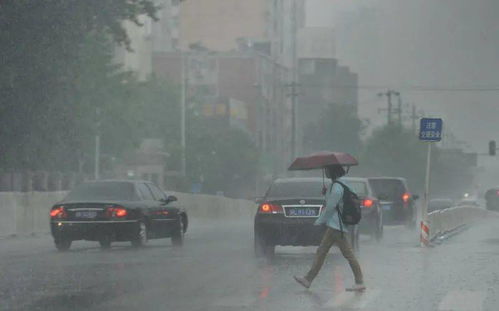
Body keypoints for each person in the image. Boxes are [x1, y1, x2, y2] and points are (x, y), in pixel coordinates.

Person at [294, 165, 365, 291]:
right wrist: (327, 192)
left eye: (327, 170)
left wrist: (319, 221)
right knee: (321, 252)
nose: (326, 172)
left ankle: (359, 282)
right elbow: (335, 201)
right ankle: (308, 279)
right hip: (335, 225)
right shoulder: (342, 184)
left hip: (336, 226)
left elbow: (331, 206)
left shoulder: (337, 186)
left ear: (333, 171)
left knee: (347, 254)